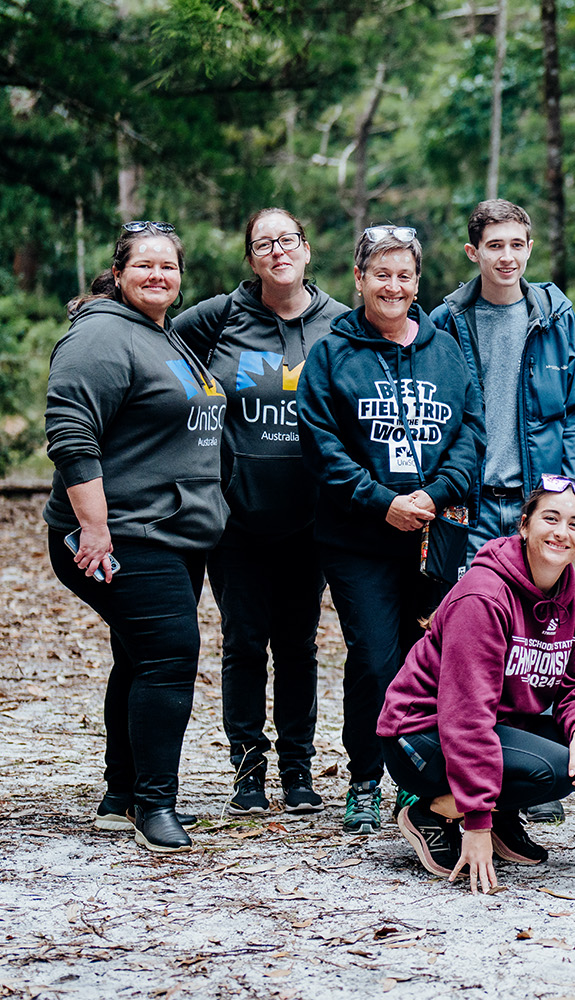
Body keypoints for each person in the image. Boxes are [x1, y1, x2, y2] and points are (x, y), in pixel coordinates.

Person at [46, 221, 227, 853]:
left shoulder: (162, 334)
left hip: (174, 532)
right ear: (119, 273)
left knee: (140, 655)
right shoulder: (100, 334)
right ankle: (156, 805)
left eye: (169, 267)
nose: (158, 275)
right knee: (169, 653)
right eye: (144, 265)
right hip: (122, 532)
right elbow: (71, 429)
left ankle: (120, 798)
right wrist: (93, 527)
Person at [298, 224, 483, 835]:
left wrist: (432, 494)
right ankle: (364, 779)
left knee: (425, 660)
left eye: (404, 275)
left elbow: (470, 434)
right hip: (358, 538)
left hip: (433, 537)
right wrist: (383, 501)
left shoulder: (445, 349)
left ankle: (417, 781)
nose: (394, 285)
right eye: (381, 274)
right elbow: (322, 446)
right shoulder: (331, 352)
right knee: (376, 659)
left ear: (418, 281)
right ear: (359, 279)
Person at [172, 209, 348, 817]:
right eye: (263, 243)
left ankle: (298, 771)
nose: (278, 251)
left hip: (311, 519)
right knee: (245, 642)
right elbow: (157, 348)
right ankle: (248, 773)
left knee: (298, 645)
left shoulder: (340, 324)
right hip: (236, 519)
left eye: (288, 240)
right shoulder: (218, 317)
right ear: (252, 258)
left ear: (306, 248)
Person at [379, 476, 575, 891]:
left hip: (498, 726)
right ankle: (434, 813)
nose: (560, 532)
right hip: (423, 734)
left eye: (574, 524)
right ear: (525, 524)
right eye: (550, 518)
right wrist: (475, 821)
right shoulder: (483, 596)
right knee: (549, 771)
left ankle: (501, 814)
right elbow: (465, 713)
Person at [430, 199, 575, 561]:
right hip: (469, 503)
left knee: (534, 611)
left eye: (517, 245)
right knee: (473, 610)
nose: (507, 257)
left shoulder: (556, 318)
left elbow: (574, 416)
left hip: (537, 501)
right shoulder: (446, 321)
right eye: (495, 246)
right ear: (473, 252)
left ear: (530, 248)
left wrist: (567, 493)